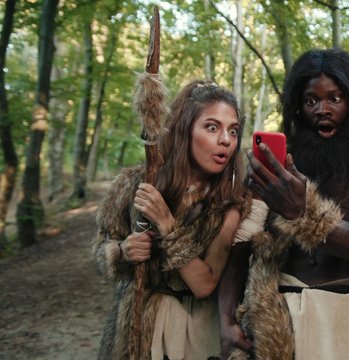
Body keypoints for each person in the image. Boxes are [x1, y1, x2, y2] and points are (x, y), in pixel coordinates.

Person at [228, 48, 349, 360]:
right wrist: (226, 319)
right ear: (298, 105)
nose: (322, 109)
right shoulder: (278, 163)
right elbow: (240, 244)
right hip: (275, 323)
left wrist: (302, 212)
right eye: (311, 100)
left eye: (334, 98)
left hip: (343, 318)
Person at [93, 80, 266, 360]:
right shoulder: (136, 184)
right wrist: (122, 252)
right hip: (136, 328)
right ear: (185, 130)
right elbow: (102, 251)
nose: (226, 140)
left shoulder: (230, 203)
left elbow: (205, 284)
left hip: (196, 333)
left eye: (233, 131)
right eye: (212, 127)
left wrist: (168, 225)